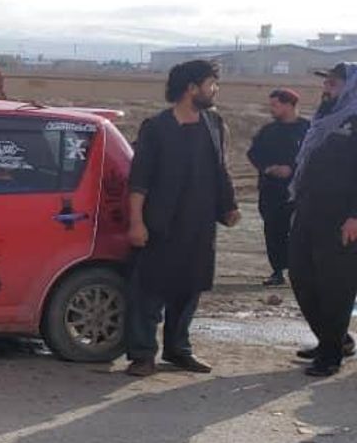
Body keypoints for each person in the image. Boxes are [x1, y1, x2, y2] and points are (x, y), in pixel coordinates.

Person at [124, 60, 241, 377]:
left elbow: (222, 169)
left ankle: (178, 350)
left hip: (200, 226)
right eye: (210, 83)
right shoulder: (157, 128)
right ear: (191, 88)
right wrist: (137, 222)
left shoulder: (214, 124)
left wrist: (228, 207)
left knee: (189, 289)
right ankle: (142, 354)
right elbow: (139, 180)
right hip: (161, 225)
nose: (215, 89)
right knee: (149, 292)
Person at [288, 62, 357, 376]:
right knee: (302, 276)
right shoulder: (324, 118)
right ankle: (335, 338)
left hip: (342, 218)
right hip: (308, 210)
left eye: (333, 84)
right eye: (326, 83)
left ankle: (330, 356)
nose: (326, 89)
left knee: (335, 286)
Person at [247, 89, 310, 286]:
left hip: (300, 191)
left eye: (275, 105)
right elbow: (254, 153)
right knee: (274, 230)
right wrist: (269, 168)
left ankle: (303, 271)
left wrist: (292, 169)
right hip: (272, 191)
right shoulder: (268, 131)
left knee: (301, 231)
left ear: (289, 104)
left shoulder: (308, 129)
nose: (271, 109)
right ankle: (277, 271)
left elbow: (315, 156)